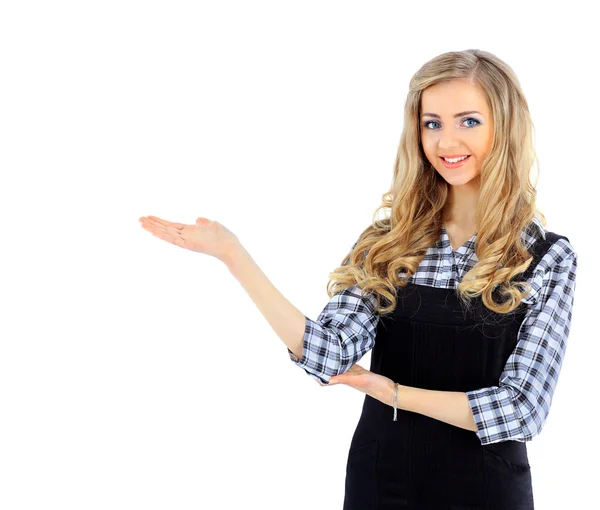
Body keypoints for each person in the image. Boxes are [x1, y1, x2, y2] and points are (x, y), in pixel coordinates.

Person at [138, 49, 577, 510]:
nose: (447, 142)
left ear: (504, 128)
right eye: (432, 123)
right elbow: (326, 354)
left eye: (468, 121)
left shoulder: (545, 257)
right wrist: (234, 256)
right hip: (382, 485)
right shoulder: (388, 243)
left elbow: (522, 410)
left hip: (487, 492)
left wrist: (392, 392)